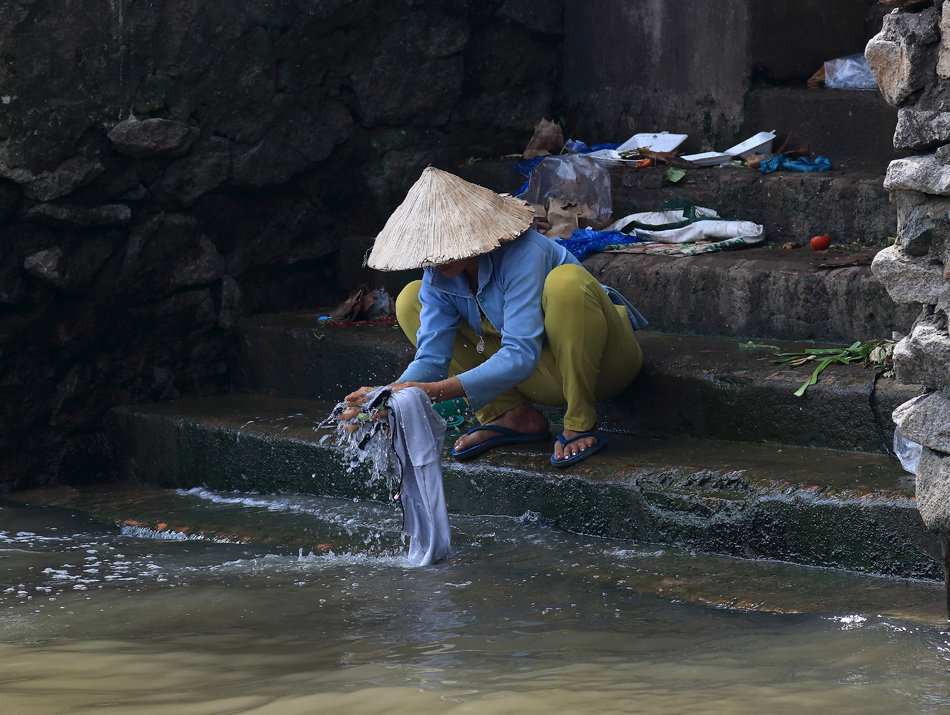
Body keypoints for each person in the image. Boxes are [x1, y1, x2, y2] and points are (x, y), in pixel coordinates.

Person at [343, 166, 645, 467]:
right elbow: (431, 362)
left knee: (566, 283)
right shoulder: (437, 275)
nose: (434, 258)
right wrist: (386, 399)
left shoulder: (525, 251)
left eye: (442, 244)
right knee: (410, 298)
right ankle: (509, 414)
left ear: (470, 231)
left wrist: (432, 393)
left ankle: (579, 421)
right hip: (539, 377)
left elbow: (520, 355)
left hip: (603, 366)